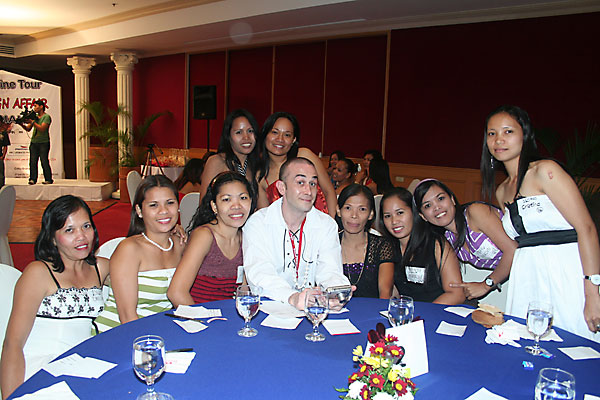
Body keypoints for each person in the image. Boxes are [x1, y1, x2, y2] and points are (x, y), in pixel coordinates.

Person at [482, 105, 600, 341]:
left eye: (508, 132)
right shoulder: (502, 191)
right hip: (528, 274)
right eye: (492, 133)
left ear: (525, 135)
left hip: (566, 270)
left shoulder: (545, 171)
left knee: (575, 342)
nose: (498, 140)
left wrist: (592, 291)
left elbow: (586, 229)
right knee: (528, 344)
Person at [0, 196, 109, 399]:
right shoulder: (39, 273)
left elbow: (141, 273)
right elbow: (13, 344)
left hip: (82, 365)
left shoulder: (100, 267)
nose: (81, 236)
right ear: (52, 238)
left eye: (86, 226)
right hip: (42, 367)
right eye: (69, 230)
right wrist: (13, 396)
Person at [244, 157, 350, 309]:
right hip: (269, 308)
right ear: (282, 187)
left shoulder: (326, 225)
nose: (308, 191)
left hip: (312, 307)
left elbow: (330, 270)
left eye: (312, 183)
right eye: (300, 182)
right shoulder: (258, 223)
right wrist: (293, 297)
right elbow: (260, 273)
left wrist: (336, 291)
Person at [94, 175, 185, 332]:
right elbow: (127, 317)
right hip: (118, 333)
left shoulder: (180, 244)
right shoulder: (130, 250)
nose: (164, 211)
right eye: (153, 205)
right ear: (139, 211)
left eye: (170, 203)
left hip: (158, 330)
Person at [412, 179, 517, 299]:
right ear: (423, 216)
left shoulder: (475, 212)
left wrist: (486, 285)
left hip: (531, 265)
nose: (437, 207)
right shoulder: (448, 238)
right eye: (428, 205)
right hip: (517, 278)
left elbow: (513, 250)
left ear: (452, 199)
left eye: (440, 198)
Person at [168, 171, 256, 306]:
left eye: (243, 198)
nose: (236, 206)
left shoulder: (247, 237)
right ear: (214, 206)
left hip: (228, 315)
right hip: (197, 314)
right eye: (226, 199)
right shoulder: (205, 236)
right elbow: (176, 293)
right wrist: (201, 317)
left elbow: (244, 291)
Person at [380, 187, 464, 305]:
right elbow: (394, 292)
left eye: (400, 213)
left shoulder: (436, 243)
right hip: (409, 312)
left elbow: (456, 294)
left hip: (438, 310)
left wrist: (423, 313)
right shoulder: (388, 248)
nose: (394, 221)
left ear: (414, 213)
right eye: (387, 216)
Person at [256, 111, 337, 217]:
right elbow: (265, 216)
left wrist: (331, 223)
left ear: (293, 140)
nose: (280, 139)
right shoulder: (261, 176)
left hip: (321, 222)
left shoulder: (305, 156)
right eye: (275, 132)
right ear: (265, 134)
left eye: (287, 135)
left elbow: (328, 191)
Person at [337, 184, 395, 298]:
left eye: (362, 209)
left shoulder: (381, 246)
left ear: (370, 214)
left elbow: (385, 293)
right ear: (339, 211)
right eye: (348, 208)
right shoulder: (329, 244)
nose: (354, 215)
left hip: (374, 308)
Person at [199, 109, 260, 201]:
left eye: (250, 131)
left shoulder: (254, 165)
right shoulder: (217, 161)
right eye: (239, 132)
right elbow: (204, 203)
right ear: (228, 136)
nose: (246, 137)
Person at [18, 100, 53, 185]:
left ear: (41, 106)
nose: (34, 108)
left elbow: (42, 128)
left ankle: (48, 179)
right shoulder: (35, 117)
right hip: (34, 142)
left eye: (36, 106)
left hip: (44, 142)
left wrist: (33, 122)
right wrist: (21, 124)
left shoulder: (46, 117)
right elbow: (28, 129)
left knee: (44, 161)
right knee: (33, 161)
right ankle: (32, 179)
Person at [0, 121, 10, 187]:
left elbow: (5, 146)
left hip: (0, 156)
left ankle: (1, 187)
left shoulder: (3, 133)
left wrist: (3, 155)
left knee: (1, 174)